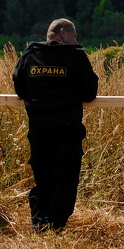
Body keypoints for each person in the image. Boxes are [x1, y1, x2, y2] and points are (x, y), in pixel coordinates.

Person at [12, 18, 99, 232]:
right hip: (67, 129)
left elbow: (19, 88)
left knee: (42, 175)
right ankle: (57, 224)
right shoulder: (76, 56)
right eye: (74, 36)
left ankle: (39, 221)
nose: (76, 41)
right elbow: (90, 93)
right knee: (65, 177)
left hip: (39, 128)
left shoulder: (30, 55)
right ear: (62, 33)